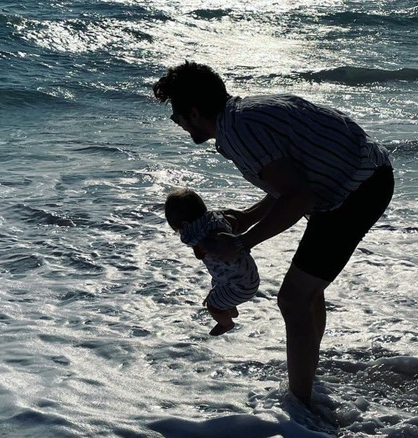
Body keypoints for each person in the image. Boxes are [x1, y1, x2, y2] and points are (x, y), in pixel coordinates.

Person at [153, 61, 394, 407]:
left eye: (176, 113)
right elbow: (291, 181)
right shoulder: (240, 117)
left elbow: (300, 197)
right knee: (306, 293)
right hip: (358, 180)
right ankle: (307, 377)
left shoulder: (239, 132)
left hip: (356, 190)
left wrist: (241, 243)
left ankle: (300, 406)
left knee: (293, 299)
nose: (175, 121)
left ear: (193, 111)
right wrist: (248, 218)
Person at [164, 187, 260, 336]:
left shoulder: (194, 233)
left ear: (184, 225)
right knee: (215, 284)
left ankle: (226, 323)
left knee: (212, 305)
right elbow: (232, 220)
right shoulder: (215, 218)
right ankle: (229, 306)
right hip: (248, 276)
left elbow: (197, 250)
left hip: (240, 286)